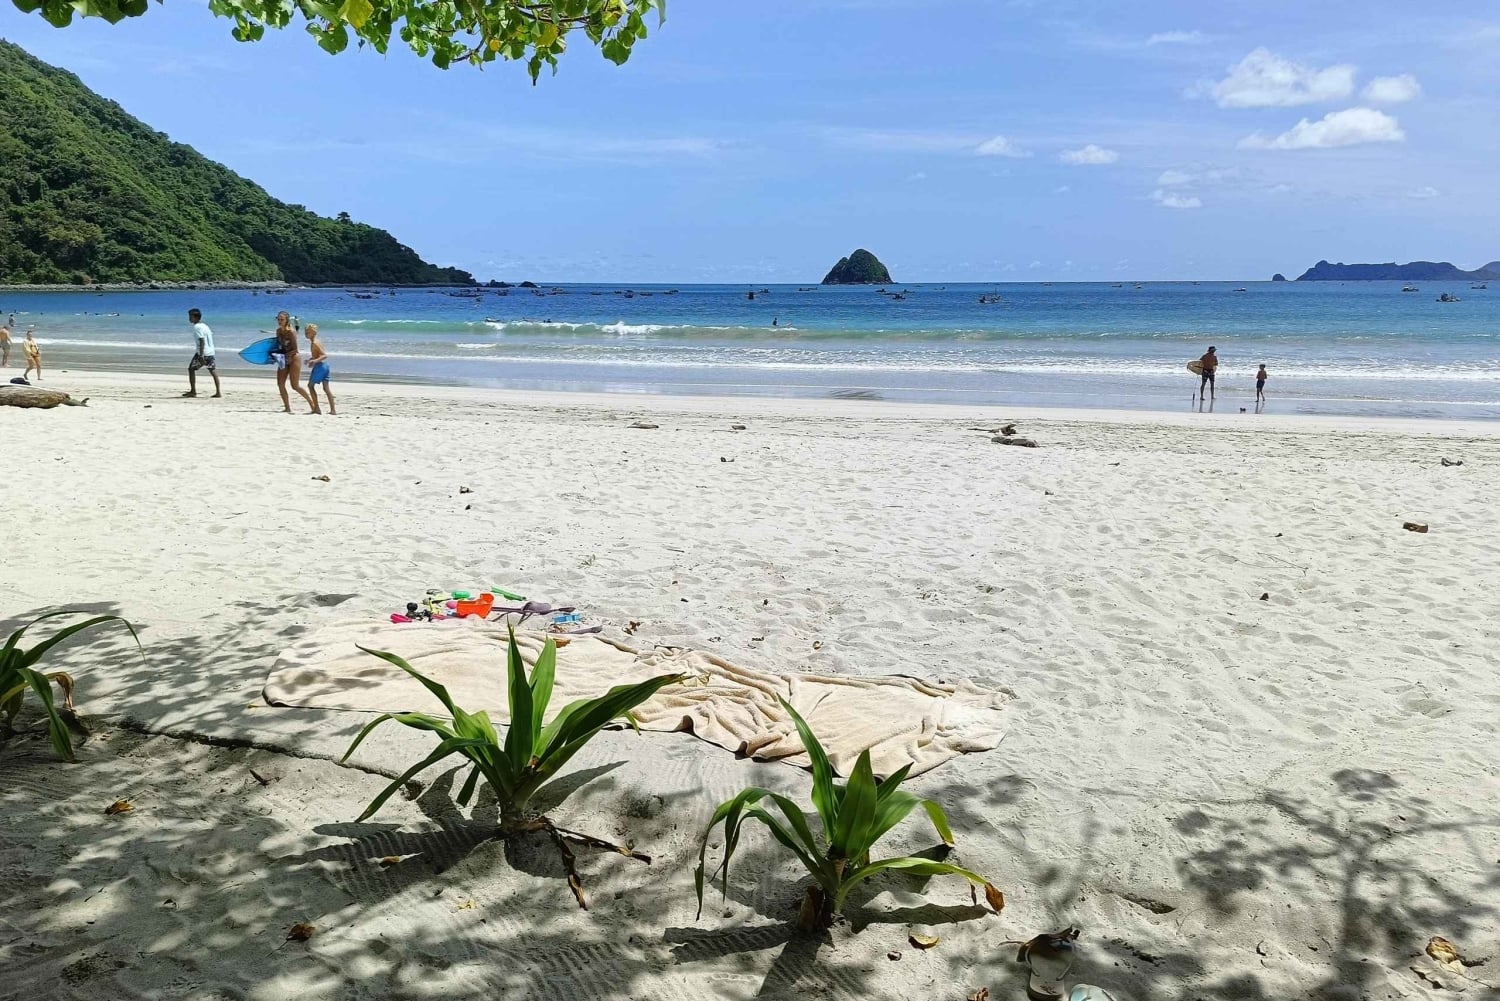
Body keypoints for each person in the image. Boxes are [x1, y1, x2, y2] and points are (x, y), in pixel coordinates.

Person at [274, 311, 316, 413]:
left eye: (282, 319)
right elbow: (280, 347)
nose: (280, 321)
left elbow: (295, 349)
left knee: (295, 386)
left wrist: (286, 356)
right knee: (280, 384)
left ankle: (313, 405)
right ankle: (287, 407)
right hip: (283, 359)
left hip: (294, 358)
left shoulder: (291, 332)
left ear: (287, 320)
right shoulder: (278, 331)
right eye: (278, 319)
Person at [183, 308, 222, 398]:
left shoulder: (197, 327)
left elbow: (202, 340)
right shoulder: (205, 325)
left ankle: (193, 391)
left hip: (203, 353)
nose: (189, 318)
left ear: (195, 317)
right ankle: (218, 392)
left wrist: (201, 355)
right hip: (210, 352)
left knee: (191, 369)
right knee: (212, 371)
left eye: (190, 316)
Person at [305, 323, 335, 415]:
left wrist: (314, 361)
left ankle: (317, 409)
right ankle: (333, 410)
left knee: (310, 386)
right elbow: (318, 355)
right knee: (326, 389)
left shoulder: (315, 343)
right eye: (305, 332)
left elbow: (324, 355)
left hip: (320, 367)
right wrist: (311, 360)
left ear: (313, 333)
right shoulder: (317, 341)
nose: (306, 334)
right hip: (326, 366)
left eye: (308, 332)